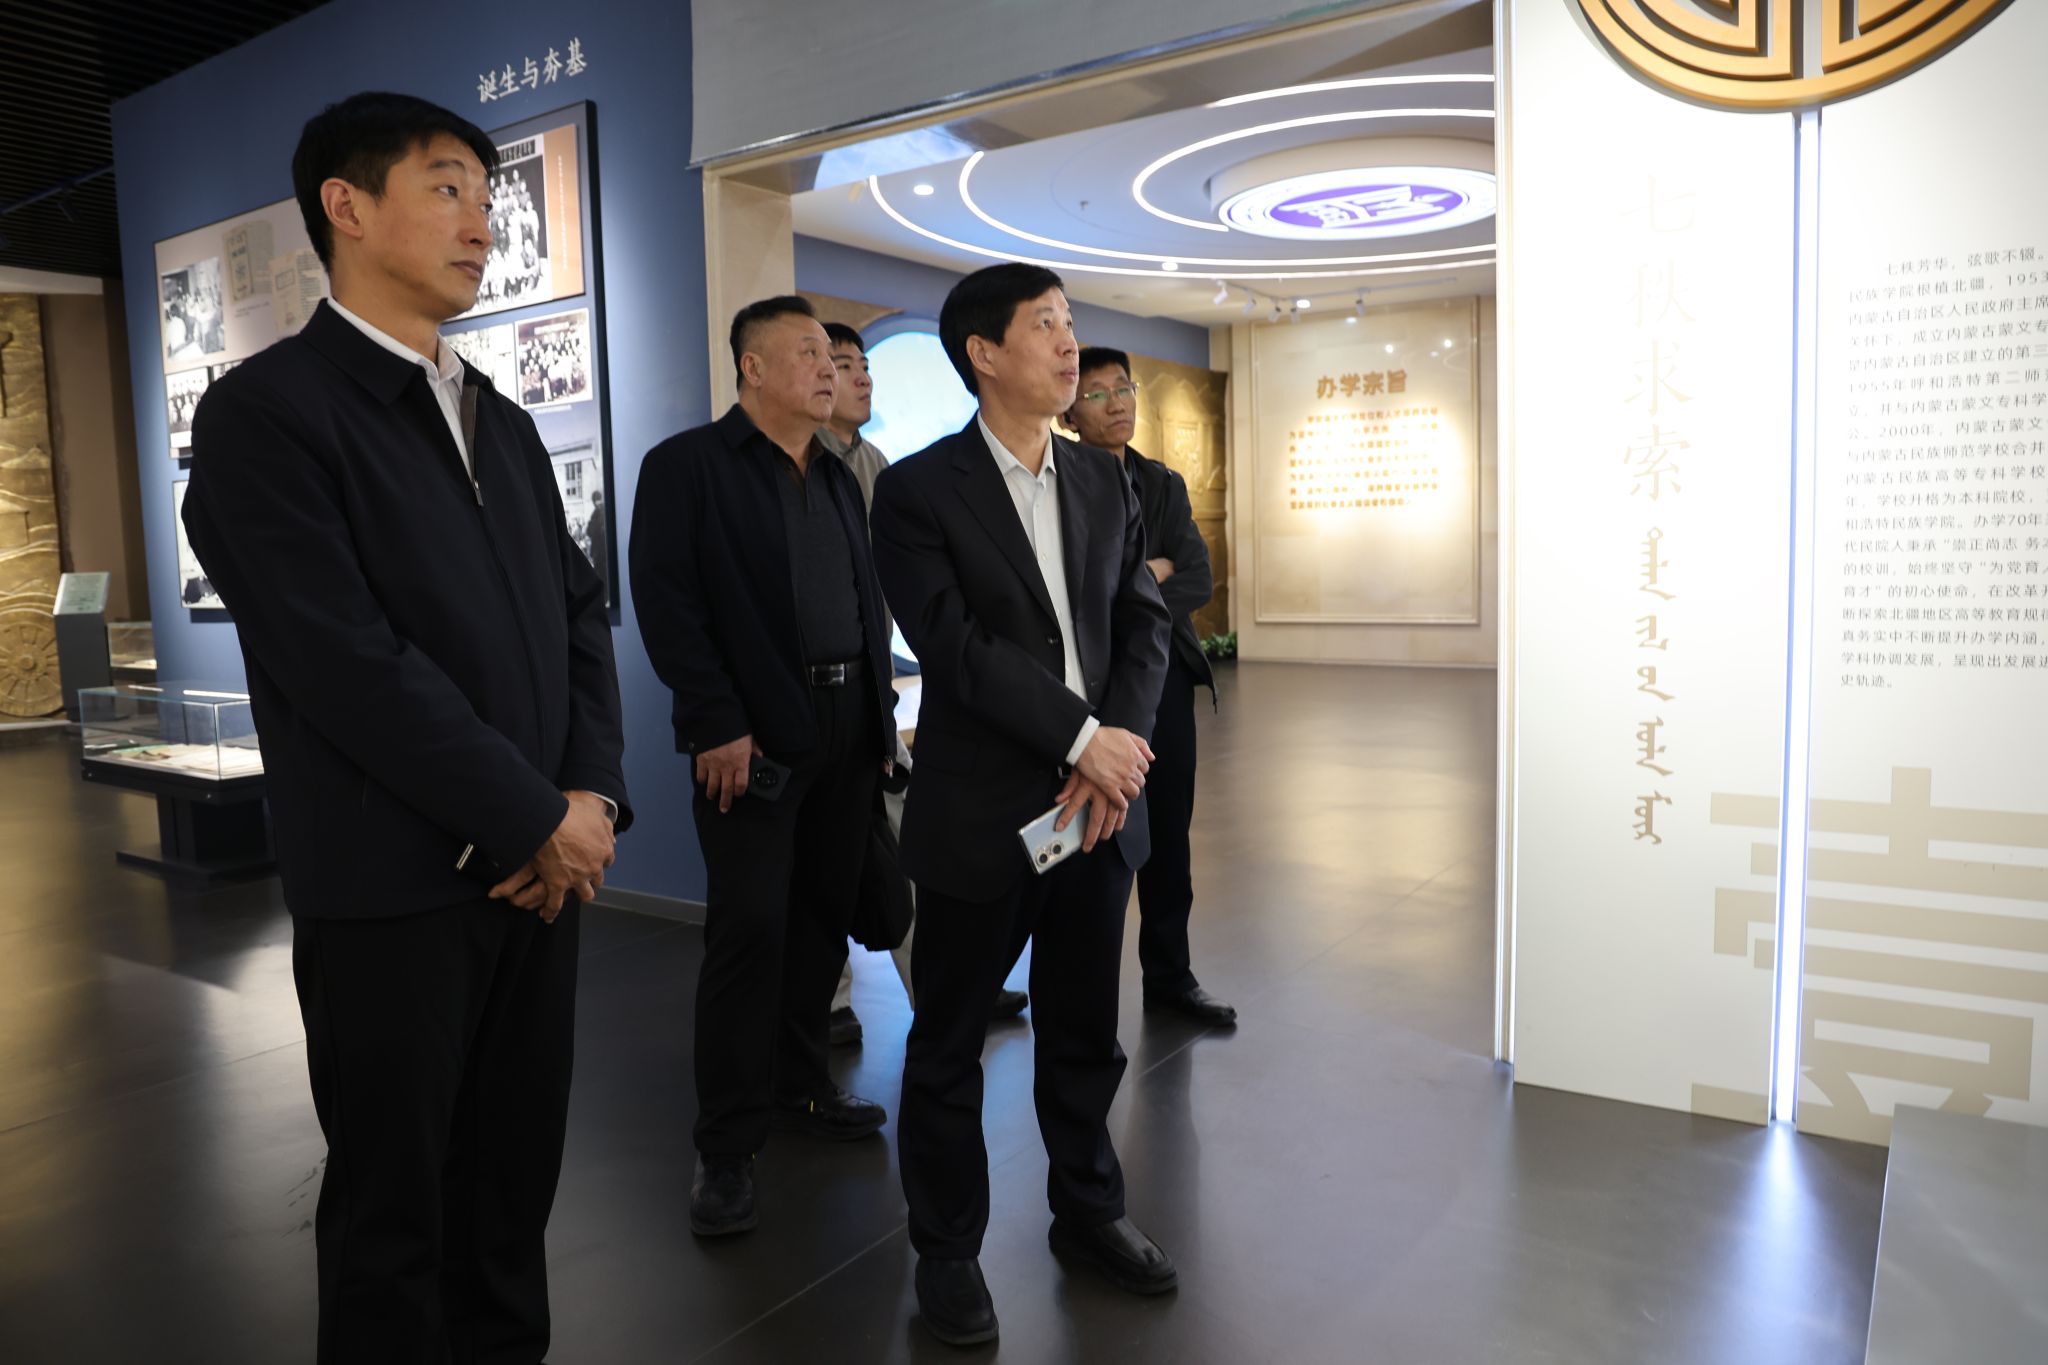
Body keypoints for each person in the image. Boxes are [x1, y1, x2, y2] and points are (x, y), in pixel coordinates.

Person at [180, 92, 630, 1364]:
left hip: (539, 879)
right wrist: (530, 814)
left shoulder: (501, 417)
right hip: (392, 891)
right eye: (445, 189)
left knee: (511, 1194)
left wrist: (589, 798)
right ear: (347, 205)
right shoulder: (268, 413)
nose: (482, 225)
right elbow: (345, 663)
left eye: (487, 199)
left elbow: (578, 615)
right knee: (394, 1219)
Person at [869, 263, 1175, 1347]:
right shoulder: (917, 491)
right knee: (950, 1043)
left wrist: (1114, 752)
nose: (1069, 344)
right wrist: (1083, 740)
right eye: (1046, 325)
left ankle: (1088, 1210)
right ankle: (947, 1250)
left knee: (1086, 1032)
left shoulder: (1101, 479)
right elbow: (953, 647)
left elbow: (1141, 624)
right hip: (983, 816)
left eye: (1069, 322)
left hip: (1097, 811)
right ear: (983, 354)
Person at [630, 295, 897, 1239]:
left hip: (848, 726)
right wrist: (715, 720)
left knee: (821, 923)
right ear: (752, 367)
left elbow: (865, 604)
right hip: (752, 737)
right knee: (749, 931)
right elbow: (668, 602)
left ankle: (800, 1085)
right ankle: (727, 1142)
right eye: (811, 353)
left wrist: (882, 723)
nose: (831, 369)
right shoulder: (688, 467)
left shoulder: (836, 472)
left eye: (834, 355)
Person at [815, 321, 1028, 1047]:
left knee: (907, 850)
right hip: (820, 701)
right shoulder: (800, 463)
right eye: (842, 363)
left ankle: (944, 992)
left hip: (874, 691)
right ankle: (831, 1001)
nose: (860, 377)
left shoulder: (877, 464)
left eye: (862, 364)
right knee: (828, 861)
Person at [1059, 346, 1236, 1026]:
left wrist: (1134, 590)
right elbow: (1069, 597)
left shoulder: (1161, 483)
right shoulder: (1059, 481)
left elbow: (1198, 577)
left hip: (1162, 681)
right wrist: (1148, 574)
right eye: (1097, 393)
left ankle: (1170, 975)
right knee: (1085, 840)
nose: (1118, 403)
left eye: (1124, 388)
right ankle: (1080, 994)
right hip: (1087, 689)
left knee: (1166, 835)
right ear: (1070, 411)